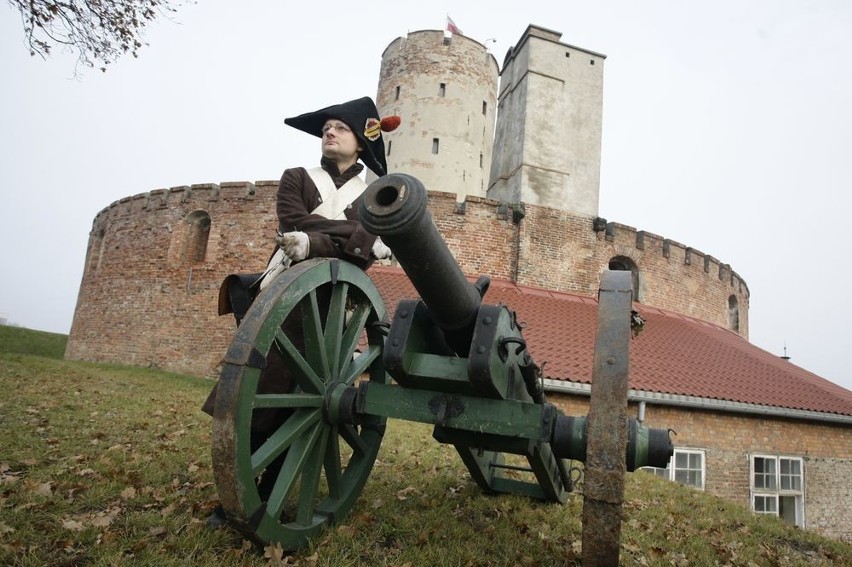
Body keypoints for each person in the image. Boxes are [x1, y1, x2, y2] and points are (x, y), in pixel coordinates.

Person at [204, 96, 399, 527]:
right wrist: (347, 237)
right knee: (262, 389)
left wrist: (316, 243)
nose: (329, 132)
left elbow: (362, 253)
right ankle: (240, 488)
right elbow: (294, 223)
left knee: (304, 404)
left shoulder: (374, 193)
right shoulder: (296, 178)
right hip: (284, 294)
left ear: (361, 143)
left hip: (332, 308)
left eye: (340, 128)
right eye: (326, 127)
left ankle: (271, 489)